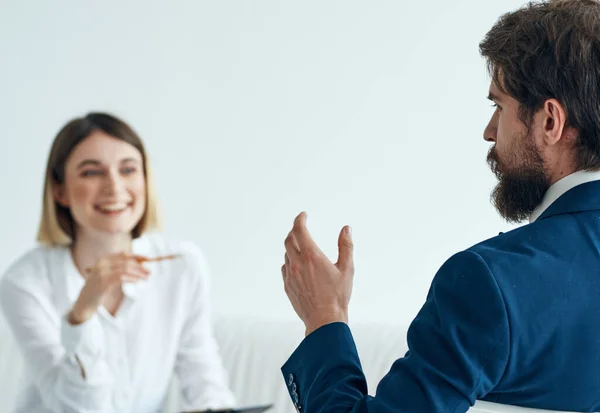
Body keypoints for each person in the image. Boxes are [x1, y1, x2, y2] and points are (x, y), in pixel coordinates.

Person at [280, 0, 600, 412]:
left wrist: (325, 317)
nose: (488, 133)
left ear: (550, 122)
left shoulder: (490, 283)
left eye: (498, 108)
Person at [0, 113, 236, 413]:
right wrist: (82, 314)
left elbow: (204, 377)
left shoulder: (182, 266)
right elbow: (78, 408)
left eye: (128, 170)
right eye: (91, 172)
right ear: (60, 191)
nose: (114, 187)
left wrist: (218, 409)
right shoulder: (25, 283)